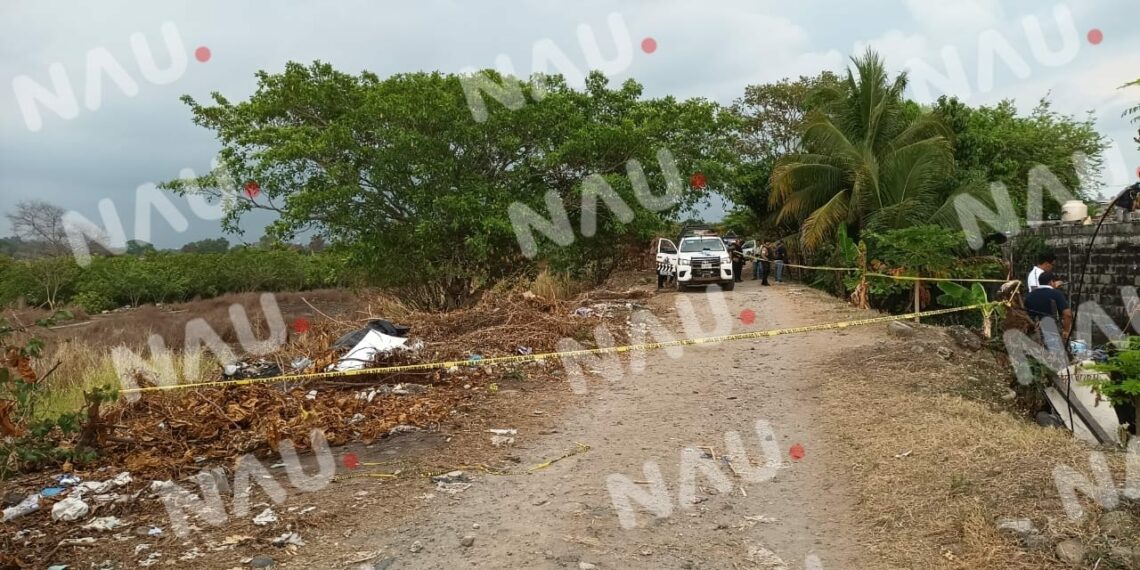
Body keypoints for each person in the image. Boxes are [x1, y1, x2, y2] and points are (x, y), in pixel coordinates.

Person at [1024, 271, 1072, 351]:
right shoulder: (1057, 294)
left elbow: (1025, 314)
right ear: (1051, 282)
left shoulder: (1029, 296)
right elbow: (1067, 314)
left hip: (1034, 335)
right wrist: (1066, 331)